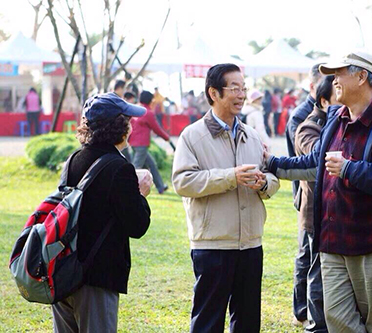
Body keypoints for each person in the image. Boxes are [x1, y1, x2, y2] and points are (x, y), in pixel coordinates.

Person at [264, 50, 372, 333]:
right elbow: (316, 164)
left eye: (340, 73)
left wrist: (350, 169)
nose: (333, 79)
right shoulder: (336, 118)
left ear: (362, 77)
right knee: (337, 322)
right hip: (332, 244)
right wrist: (273, 164)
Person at [172, 63, 280, 333]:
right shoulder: (192, 136)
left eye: (243, 88)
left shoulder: (251, 136)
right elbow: (182, 181)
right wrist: (230, 177)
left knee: (247, 322)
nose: (241, 94)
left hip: (250, 243)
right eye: (234, 88)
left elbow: (271, 176)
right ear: (214, 93)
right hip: (213, 244)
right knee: (208, 321)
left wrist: (264, 182)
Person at [51, 92, 152, 332]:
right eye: (128, 120)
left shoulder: (74, 159)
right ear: (119, 126)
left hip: (64, 271)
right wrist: (141, 194)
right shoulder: (120, 167)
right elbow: (137, 226)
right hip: (96, 278)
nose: (132, 125)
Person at [294, 74, 339, 333]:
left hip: (333, 212)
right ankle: (316, 325)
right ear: (323, 101)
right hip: (315, 213)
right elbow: (318, 158)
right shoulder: (308, 127)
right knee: (317, 272)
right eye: (337, 99)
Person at [283, 63, 324, 326]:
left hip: (314, 194)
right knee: (305, 256)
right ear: (313, 87)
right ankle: (302, 309)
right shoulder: (302, 117)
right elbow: (306, 159)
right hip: (305, 193)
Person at [128, 90, 171, 194]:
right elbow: (156, 128)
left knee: (152, 164)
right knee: (135, 167)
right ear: (149, 100)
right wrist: (166, 137)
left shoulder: (135, 109)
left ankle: (160, 186)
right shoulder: (147, 112)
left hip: (133, 142)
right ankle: (128, 187)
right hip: (141, 144)